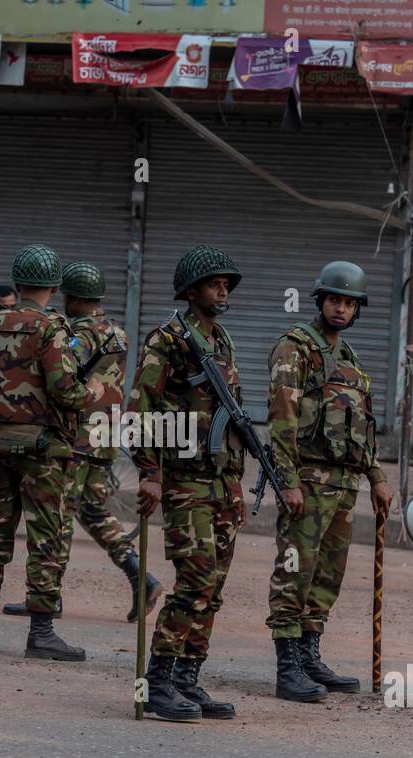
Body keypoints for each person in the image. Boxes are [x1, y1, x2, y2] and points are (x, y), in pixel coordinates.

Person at [0, 244, 105, 660]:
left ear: (19, 283)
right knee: (46, 538)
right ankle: (41, 633)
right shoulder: (52, 329)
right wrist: (90, 392)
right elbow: (63, 388)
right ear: (55, 287)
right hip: (44, 452)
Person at [1, 261, 162, 623]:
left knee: (61, 516)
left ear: (73, 298)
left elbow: (63, 379)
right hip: (104, 437)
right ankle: (141, 576)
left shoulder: (77, 335)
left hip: (77, 439)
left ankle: (47, 596)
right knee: (92, 510)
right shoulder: (117, 332)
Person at [265, 260, 392, 703]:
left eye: (349, 303)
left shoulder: (352, 360)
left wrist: (376, 477)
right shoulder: (295, 348)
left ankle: (309, 654)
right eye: (335, 300)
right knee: (295, 570)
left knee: (328, 574)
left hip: (343, 486)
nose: (341, 309)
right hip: (307, 480)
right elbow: (281, 422)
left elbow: (365, 427)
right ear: (320, 301)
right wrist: (287, 482)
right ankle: (287, 667)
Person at [130, 245, 246, 723]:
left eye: (226, 283)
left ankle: (187, 678)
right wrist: (150, 474)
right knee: (195, 578)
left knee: (213, 585)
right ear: (192, 289)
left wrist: (240, 477)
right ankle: (156, 682)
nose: (223, 289)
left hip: (222, 481)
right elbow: (140, 408)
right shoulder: (168, 340)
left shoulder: (221, 341)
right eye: (215, 282)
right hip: (184, 482)